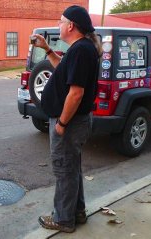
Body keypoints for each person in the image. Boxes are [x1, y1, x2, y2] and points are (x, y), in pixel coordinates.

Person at [32, 6, 102, 233]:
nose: (58, 24)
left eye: (61, 21)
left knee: (64, 170)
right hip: (74, 122)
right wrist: (47, 48)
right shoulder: (79, 49)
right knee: (72, 168)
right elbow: (63, 69)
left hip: (71, 124)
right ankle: (77, 212)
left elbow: (76, 93)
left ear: (71, 25)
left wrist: (61, 123)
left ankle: (63, 219)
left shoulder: (81, 50)